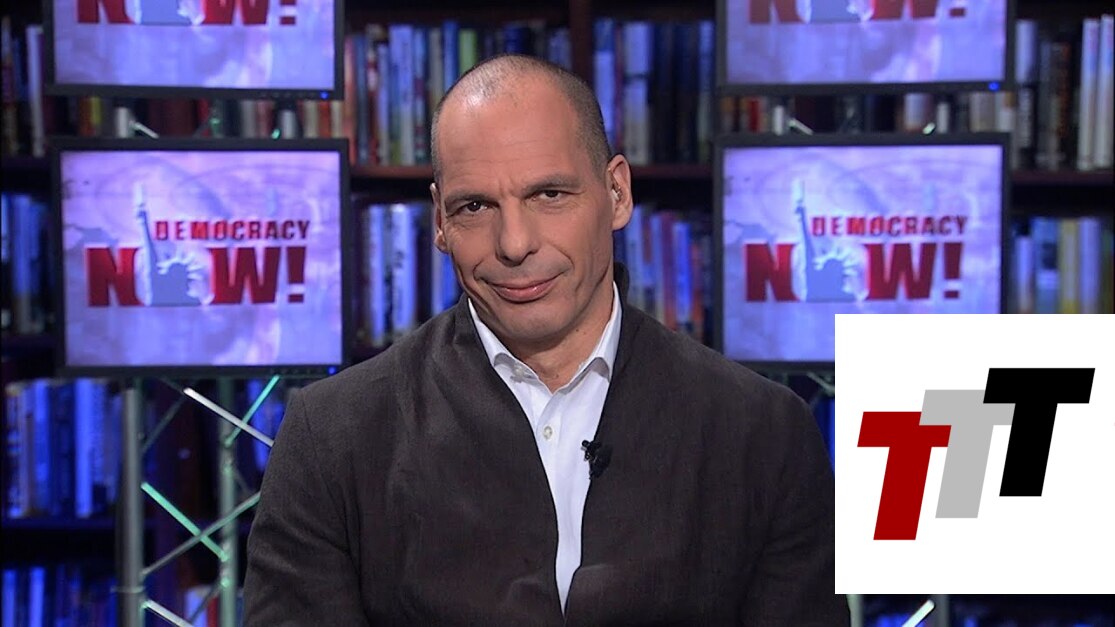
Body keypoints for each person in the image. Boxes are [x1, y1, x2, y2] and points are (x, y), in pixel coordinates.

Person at [243, 54, 847, 625]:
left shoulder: (764, 433)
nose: (514, 243)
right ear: (440, 222)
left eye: (548, 195)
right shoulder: (333, 437)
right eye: (475, 206)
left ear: (617, 193)